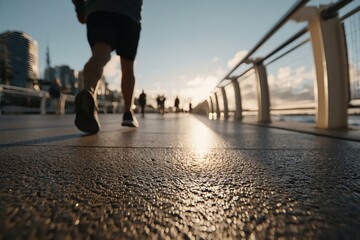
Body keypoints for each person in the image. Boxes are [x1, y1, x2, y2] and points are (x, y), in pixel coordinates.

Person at [72, 0, 143, 133]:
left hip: (99, 9)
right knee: (127, 67)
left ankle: (88, 95)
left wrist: (80, 9)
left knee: (100, 56)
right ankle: (128, 113)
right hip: (129, 13)